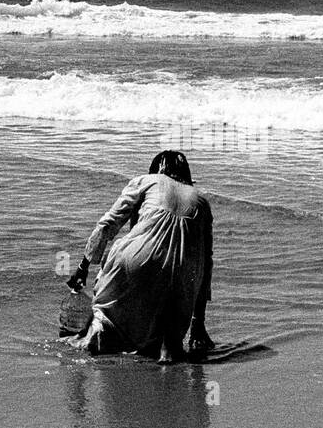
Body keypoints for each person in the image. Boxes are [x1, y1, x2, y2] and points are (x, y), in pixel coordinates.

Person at [67, 151, 214, 362]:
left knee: (104, 316)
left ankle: (94, 337)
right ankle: (166, 351)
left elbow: (108, 224)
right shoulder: (202, 201)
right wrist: (198, 323)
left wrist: (83, 266)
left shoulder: (145, 181)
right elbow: (206, 262)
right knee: (168, 340)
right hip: (182, 274)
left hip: (135, 258)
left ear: (157, 170)